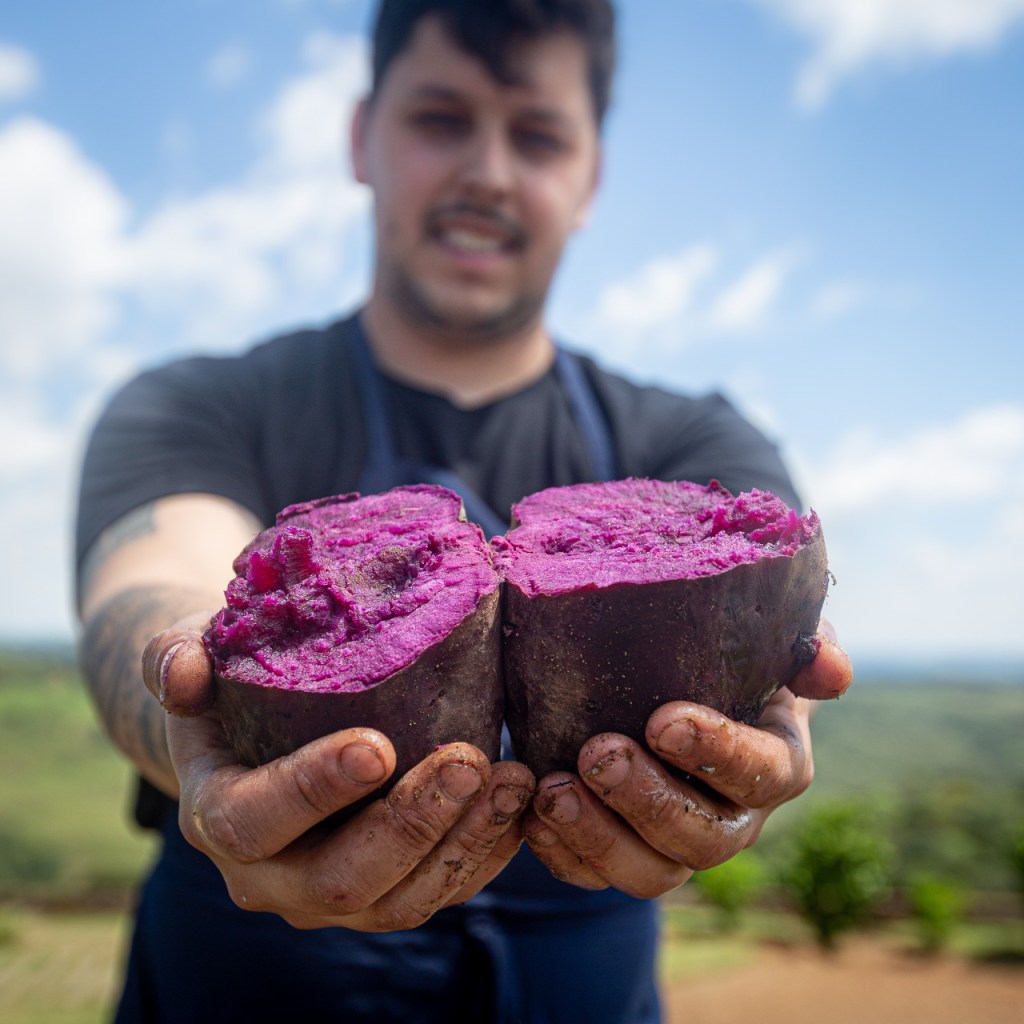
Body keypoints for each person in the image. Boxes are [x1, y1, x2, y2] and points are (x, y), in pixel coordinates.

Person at [75, 1, 853, 1021]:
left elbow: (774, 637)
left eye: (537, 135)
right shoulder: (198, 403)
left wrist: (759, 738)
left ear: (591, 177)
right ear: (363, 137)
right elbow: (150, 588)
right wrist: (195, 705)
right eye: (440, 118)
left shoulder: (693, 443)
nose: (487, 171)